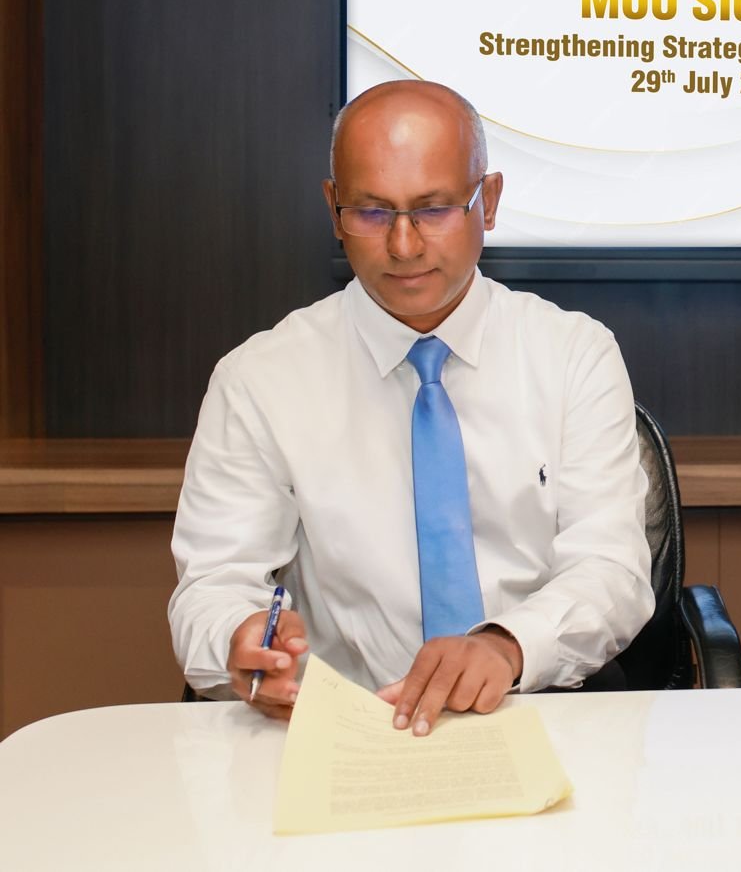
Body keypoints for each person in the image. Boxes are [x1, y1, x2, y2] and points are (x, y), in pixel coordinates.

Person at [169, 80, 652, 736]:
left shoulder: (574, 355)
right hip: (342, 728)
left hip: (537, 707)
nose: (403, 245)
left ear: (488, 201)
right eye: (371, 212)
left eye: (434, 209)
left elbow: (611, 569)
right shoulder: (260, 378)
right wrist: (238, 638)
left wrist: (505, 646)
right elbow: (213, 585)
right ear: (332, 208)